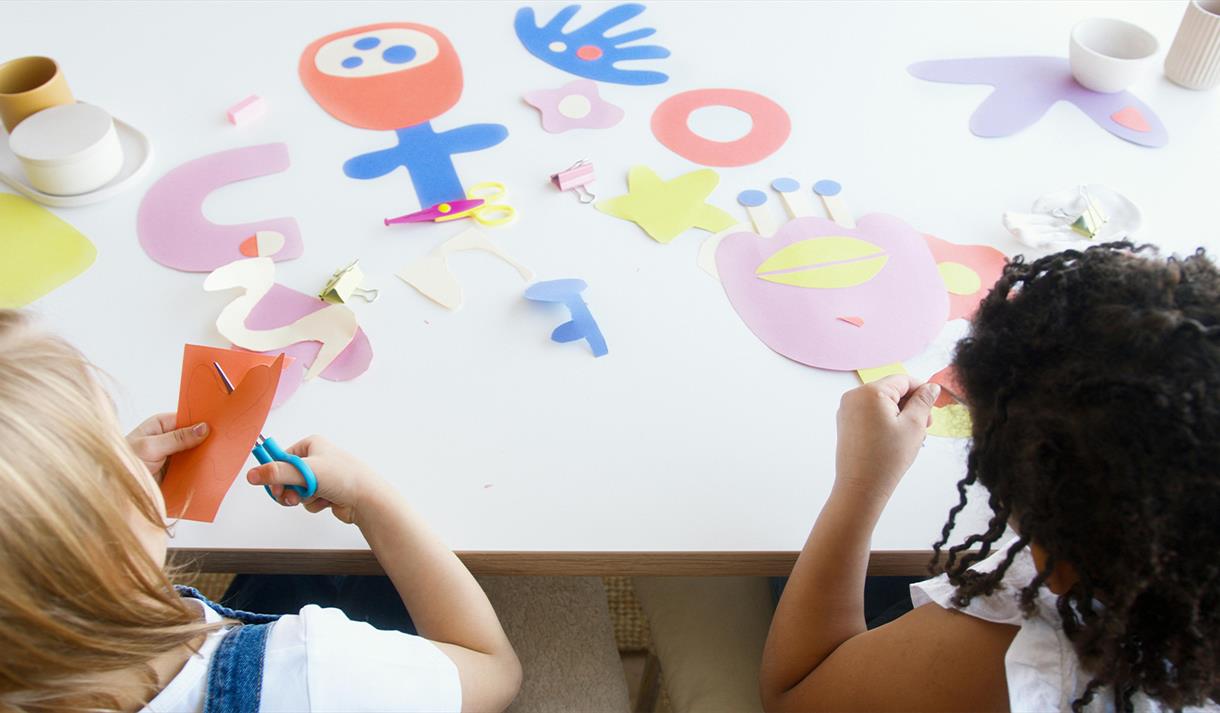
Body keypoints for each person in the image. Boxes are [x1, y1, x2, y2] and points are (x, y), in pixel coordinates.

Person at [761, 243, 1220, 712]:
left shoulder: (1005, 659)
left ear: (1055, 566)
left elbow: (793, 695)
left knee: (774, 562)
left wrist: (860, 485)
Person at [0, 309, 521, 712]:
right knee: (364, 574)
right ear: (89, 545)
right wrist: (369, 497)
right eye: (111, 449)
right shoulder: (311, 667)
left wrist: (115, 501)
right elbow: (494, 675)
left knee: (285, 569)